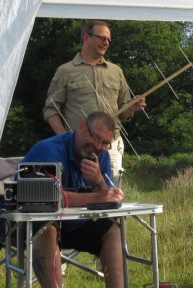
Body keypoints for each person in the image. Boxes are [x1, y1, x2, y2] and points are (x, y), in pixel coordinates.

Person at [22, 112, 131, 288]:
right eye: (95, 138)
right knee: (47, 227)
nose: (98, 146)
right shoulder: (48, 150)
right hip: (30, 226)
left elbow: (107, 199)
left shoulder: (101, 157)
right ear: (81, 127)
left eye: (105, 143)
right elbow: (47, 197)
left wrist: (100, 182)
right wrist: (98, 195)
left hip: (74, 225)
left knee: (113, 230)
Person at [42, 20, 146, 185]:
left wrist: (132, 108)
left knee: (110, 196)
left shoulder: (116, 71)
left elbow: (125, 113)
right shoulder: (66, 71)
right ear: (86, 37)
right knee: (76, 195)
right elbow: (50, 110)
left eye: (109, 40)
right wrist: (63, 137)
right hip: (78, 149)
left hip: (110, 147)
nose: (106, 42)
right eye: (102, 38)